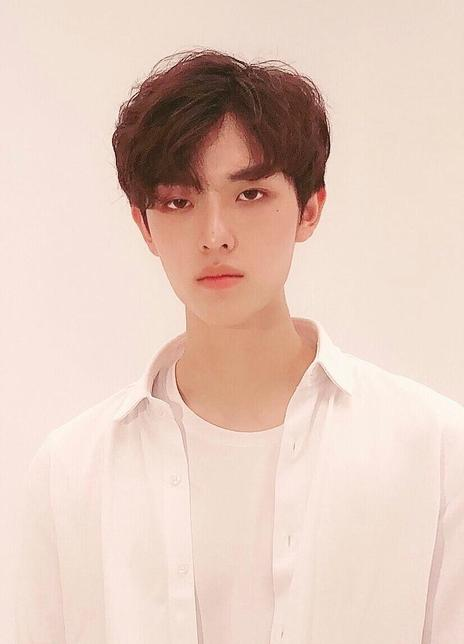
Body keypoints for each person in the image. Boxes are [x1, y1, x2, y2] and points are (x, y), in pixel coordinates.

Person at [15, 48, 464, 644]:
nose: (215, 235)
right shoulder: (71, 472)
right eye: (178, 201)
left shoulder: (433, 449)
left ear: (310, 209)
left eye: (249, 195)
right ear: (144, 225)